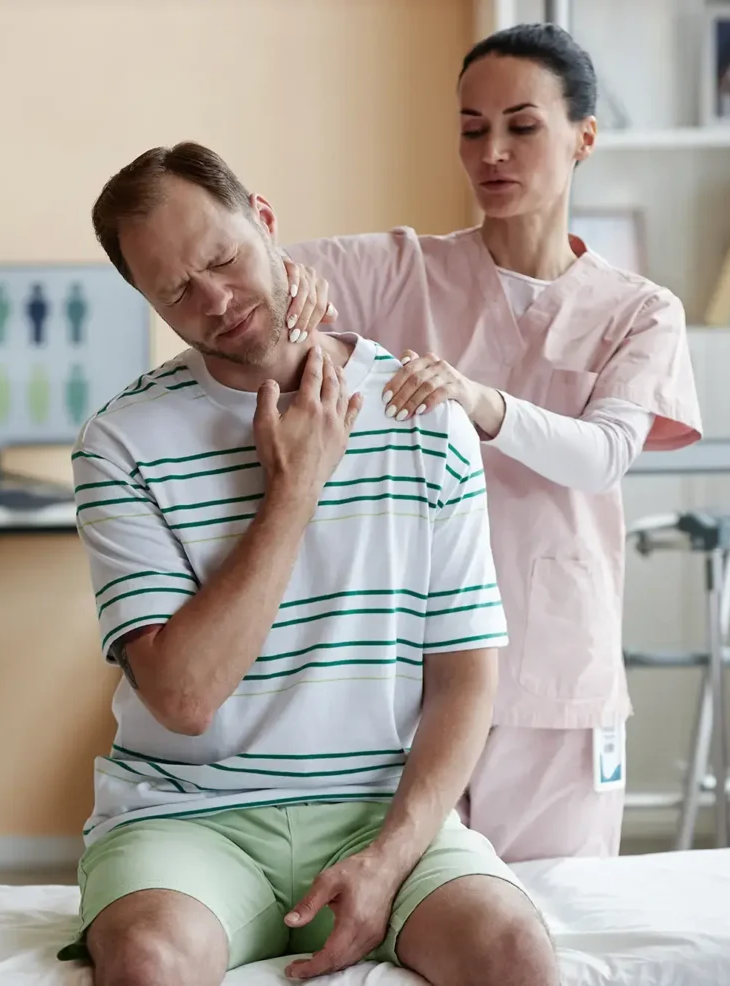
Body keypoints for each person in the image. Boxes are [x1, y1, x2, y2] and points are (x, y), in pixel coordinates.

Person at [62, 140, 560, 986]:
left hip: (381, 811)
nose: (217, 300)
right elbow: (182, 699)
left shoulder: (423, 416)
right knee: (148, 963)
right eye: (177, 289)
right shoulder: (120, 443)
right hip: (188, 820)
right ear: (149, 300)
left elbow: (467, 675)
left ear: (263, 220)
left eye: (224, 258)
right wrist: (291, 493)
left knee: (516, 954)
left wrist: (391, 857)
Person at [280, 23, 703, 863]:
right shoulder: (401, 271)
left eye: (521, 125)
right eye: (472, 129)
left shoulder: (640, 310)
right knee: (414, 925)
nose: (492, 151)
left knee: (558, 928)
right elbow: (254, 274)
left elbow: (604, 454)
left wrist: (479, 400)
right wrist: (289, 278)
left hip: (557, 680)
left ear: (584, 136)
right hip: (412, 677)